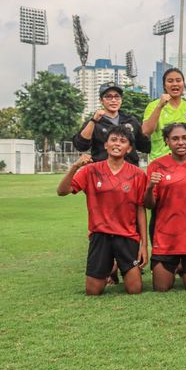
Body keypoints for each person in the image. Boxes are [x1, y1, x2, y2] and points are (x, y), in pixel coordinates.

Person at [57, 126, 147, 295]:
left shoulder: (138, 175)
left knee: (135, 289)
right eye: (113, 140)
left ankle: (115, 265)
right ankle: (110, 266)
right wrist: (75, 167)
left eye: (122, 141)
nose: (117, 144)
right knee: (93, 291)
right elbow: (62, 191)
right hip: (100, 235)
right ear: (106, 145)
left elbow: (140, 209)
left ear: (129, 149)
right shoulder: (91, 170)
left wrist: (144, 245)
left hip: (127, 236)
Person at [144, 123, 186, 292]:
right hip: (166, 237)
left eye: (185, 138)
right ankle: (176, 266)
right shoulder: (156, 166)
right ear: (167, 141)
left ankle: (185, 267)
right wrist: (150, 187)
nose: (180, 142)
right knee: (161, 288)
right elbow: (149, 205)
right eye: (175, 139)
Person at [73, 82, 151, 166]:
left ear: (121, 99)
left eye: (117, 96)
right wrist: (93, 121)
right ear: (101, 100)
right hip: (103, 171)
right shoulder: (94, 122)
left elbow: (145, 146)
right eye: (108, 97)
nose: (113, 100)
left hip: (129, 171)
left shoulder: (130, 120)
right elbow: (80, 146)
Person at [142, 68, 186, 160]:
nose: (175, 84)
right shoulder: (153, 106)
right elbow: (146, 131)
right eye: (170, 81)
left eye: (178, 80)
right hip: (159, 163)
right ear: (164, 86)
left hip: (185, 163)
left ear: (184, 84)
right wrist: (160, 106)